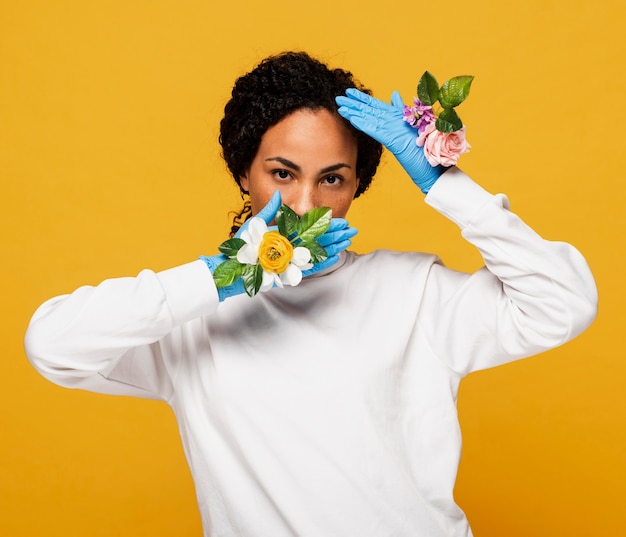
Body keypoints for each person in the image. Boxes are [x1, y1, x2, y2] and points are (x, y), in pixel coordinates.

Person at [24, 51, 597, 537]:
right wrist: (224, 276)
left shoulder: (413, 291)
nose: (305, 204)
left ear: (355, 186)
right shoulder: (195, 320)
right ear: (244, 172)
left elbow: (563, 302)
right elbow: (52, 345)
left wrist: (448, 186)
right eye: (281, 173)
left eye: (332, 178)